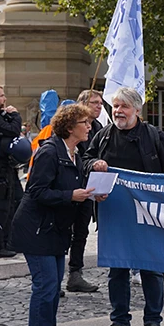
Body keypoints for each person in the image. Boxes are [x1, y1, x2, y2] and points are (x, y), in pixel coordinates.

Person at [84, 87, 164, 326]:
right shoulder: (103, 136)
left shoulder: (154, 136)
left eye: (124, 107)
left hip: (148, 216)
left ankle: (152, 322)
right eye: (115, 106)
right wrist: (93, 165)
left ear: (137, 110)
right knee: (117, 270)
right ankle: (120, 322)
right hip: (114, 214)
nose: (118, 111)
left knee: (151, 270)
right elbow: (86, 159)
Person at [11, 104, 105, 326]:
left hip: (56, 229)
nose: (89, 126)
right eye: (84, 122)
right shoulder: (50, 152)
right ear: (70, 126)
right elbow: (37, 191)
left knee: (53, 286)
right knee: (46, 285)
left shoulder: (76, 152)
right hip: (37, 229)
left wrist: (91, 195)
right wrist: (70, 196)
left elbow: (74, 186)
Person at [65, 90, 105, 293]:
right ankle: (53, 276)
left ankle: (75, 273)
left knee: (81, 232)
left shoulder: (99, 128)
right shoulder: (71, 127)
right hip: (69, 188)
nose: (99, 105)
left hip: (89, 188)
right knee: (63, 231)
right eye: (94, 102)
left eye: (100, 102)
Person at [0, 84, 22, 258]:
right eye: (1, 96)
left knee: (15, 202)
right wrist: (16, 115)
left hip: (6, 168)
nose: (5, 99)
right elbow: (13, 131)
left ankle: (6, 240)